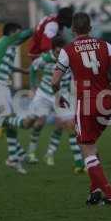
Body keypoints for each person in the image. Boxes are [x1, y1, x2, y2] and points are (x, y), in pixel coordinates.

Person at [52, 12, 111, 205]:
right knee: (89, 144)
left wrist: (58, 95)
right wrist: (110, 88)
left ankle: (110, 194)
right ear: (90, 28)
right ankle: (95, 192)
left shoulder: (67, 50)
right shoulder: (105, 45)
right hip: (106, 102)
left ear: (72, 30)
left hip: (85, 103)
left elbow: (55, 81)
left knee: (87, 148)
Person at [0, 23, 34, 175]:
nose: (19, 35)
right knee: (10, 120)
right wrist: (45, 23)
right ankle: (2, 124)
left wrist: (22, 71)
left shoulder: (1, 44)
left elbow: (2, 65)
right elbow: (29, 32)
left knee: (10, 121)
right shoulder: (9, 40)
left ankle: (15, 156)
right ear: (13, 33)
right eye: (18, 32)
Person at [27, 35, 84, 173]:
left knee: (68, 126)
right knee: (39, 123)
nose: (61, 53)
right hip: (44, 94)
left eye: (62, 50)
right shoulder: (45, 59)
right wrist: (32, 87)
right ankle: (31, 152)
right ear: (53, 49)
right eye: (58, 51)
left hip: (61, 95)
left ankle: (76, 163)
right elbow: (33, 69)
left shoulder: (70, 59)